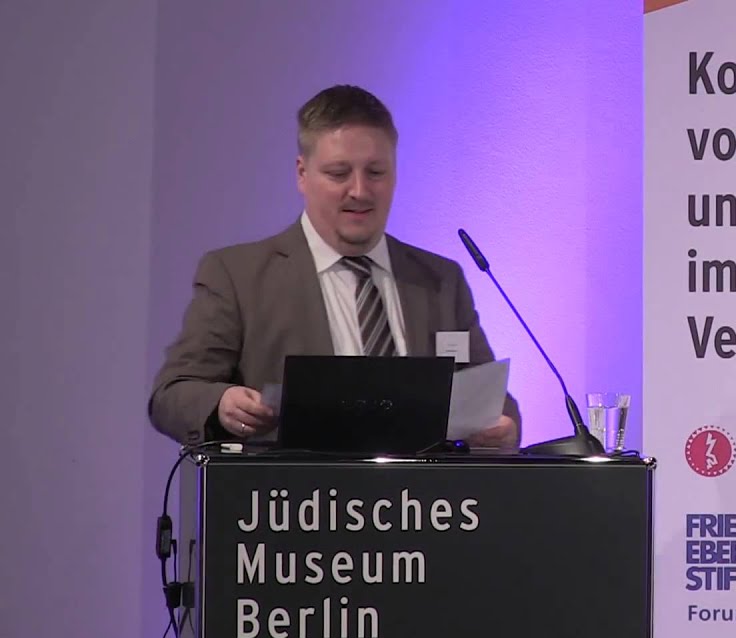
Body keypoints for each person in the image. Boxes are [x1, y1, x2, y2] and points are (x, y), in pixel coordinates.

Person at [148, 84, 520, 449]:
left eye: (376, 172)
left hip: (422, 507)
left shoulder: (440, 280)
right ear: (302, 173)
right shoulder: (238, 277)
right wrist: (222, 404)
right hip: (294, 505)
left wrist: (500, 425)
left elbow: (486, 395)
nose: (359, 190)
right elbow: (173, 394)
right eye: (339, 173)